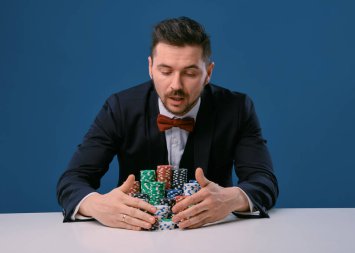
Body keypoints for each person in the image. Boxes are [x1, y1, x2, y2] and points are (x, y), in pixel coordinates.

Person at [57, 16, 279, 230]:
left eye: (190, 73)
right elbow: (72, 180)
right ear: (150, 67)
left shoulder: (236, 108)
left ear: (208, 73)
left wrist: (232, 199)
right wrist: (97, 205)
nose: (176, 85)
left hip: (214, 236)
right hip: (135, 241)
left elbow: (264, 181)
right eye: (165, 71)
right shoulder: (120, 108)